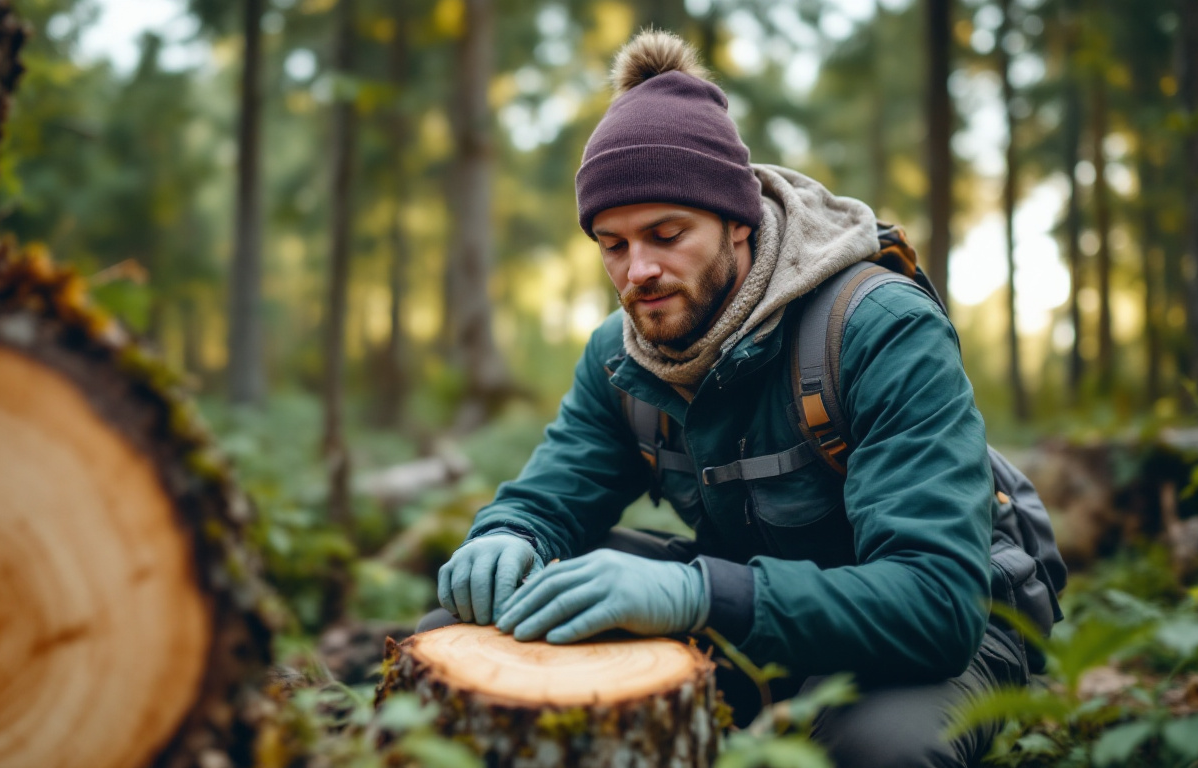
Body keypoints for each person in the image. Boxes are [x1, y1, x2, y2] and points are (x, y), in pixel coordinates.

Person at [417, 30, 1026, 768]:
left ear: (739, 222)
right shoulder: (620, 355)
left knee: (881, 753)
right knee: (474, 618)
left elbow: (935, 602)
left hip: (933, 617)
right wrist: (507, 536)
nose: (637, 270)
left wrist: (694, 595)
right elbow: (550, 498)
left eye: (666, 234)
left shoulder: (876, 327)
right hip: (749, 600)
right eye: (611, 244)